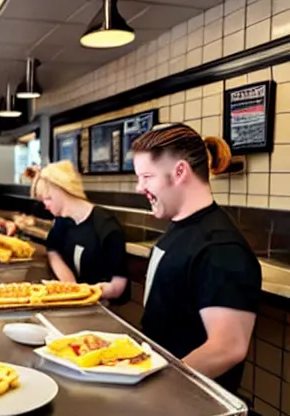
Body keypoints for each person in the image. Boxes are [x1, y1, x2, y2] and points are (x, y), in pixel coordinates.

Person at [131, 123, 261, 393]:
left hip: (190, 405)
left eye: (146, 177)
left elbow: (228, 348)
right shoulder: (181, 226)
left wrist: (158, 387)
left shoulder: (220, 247)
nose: (138, 187)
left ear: (180, 172)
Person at [32, 160, 129, 302]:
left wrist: (88, 292)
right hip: (73, 301)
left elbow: (119, 285)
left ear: (61, 191)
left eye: (47, 199)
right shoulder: (62, 221)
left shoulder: (106, 227)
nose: (45, 206)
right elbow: (52, 250)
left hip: (100, 306)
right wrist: (70, 285)